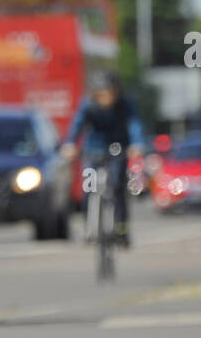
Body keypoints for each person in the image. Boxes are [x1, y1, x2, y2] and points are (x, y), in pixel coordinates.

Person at [61, 70, 144, 245]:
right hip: (93, 149)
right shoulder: (88, 105)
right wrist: (70, 144)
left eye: (110, 93)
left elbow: (134, 125)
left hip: (118, 149)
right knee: (88, 188)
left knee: (116, 186)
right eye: (102, 94)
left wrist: (137, 144)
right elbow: (77, 125)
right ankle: (89, 228)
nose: (106, 98)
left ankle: (121, 230)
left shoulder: (125, 105)